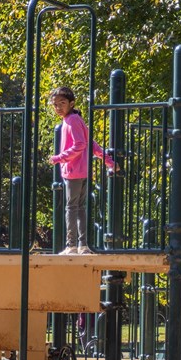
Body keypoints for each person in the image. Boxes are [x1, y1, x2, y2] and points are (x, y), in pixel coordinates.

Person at [47, 86, 115, 255]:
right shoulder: (74, 120)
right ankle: (82, 245)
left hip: (73, 172)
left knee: (71, 208)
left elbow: (80, 145)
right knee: (80, 208)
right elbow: (91, 144)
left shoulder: (72, 121)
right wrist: (108, 161)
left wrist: (58, 158)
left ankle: (71, 246)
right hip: (82, 171)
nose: (58, 108)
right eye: (55, 105)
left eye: (62, 103)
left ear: (71, 103)